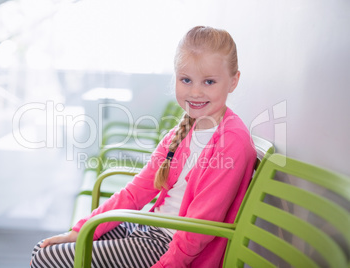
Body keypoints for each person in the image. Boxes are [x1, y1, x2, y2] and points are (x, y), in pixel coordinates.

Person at [30, 25, 257, 268]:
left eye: (209, 81)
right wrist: (80, 231)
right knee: (48, 249)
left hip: (167, 247)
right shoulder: (182, 132)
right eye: (186, 80)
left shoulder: (231, 141)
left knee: (47, 258)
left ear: (233, 81)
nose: (195, 91)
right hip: (148, 231)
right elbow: (135, 192)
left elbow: (200, 229)